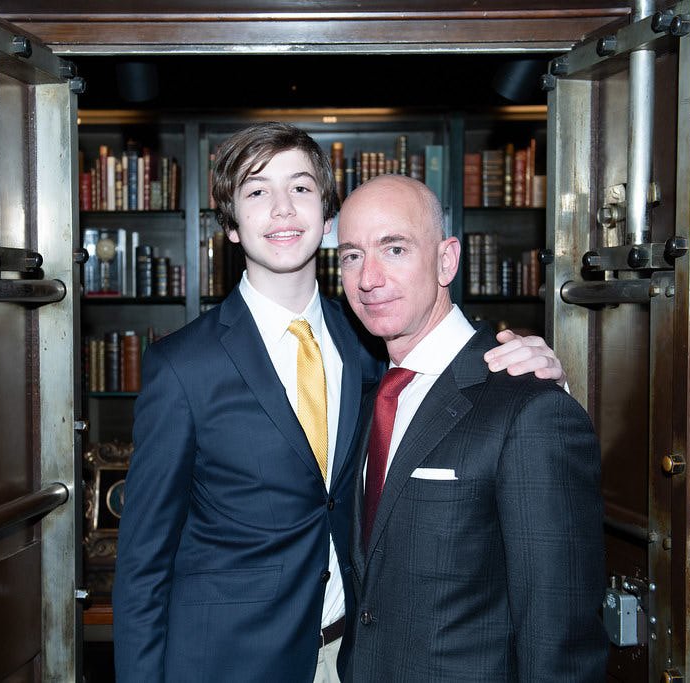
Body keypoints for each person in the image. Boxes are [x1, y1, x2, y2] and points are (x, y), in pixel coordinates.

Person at [112, 122, 567, 683]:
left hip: (358, 654)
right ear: (230, 225)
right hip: (227, 662)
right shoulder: (181, 366)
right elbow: (142, 566)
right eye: (257, 191)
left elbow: (457, 389)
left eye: (301, 188)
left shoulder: (374, 341)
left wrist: (535, 371)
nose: (282, 208)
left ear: (327, 219)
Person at [337, 174, 607, 682]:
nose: (368, 277)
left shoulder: (528, 407)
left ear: (447, 260)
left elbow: (560, 639)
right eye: (352, 255)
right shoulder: (373, 394)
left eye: (394, 248)